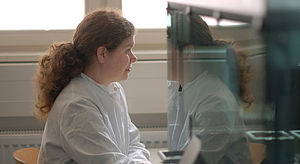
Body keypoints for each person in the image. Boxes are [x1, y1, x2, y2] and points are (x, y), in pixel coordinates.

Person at [33, 8, 151, 164]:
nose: (134, 58)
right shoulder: (77, 105)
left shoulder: (112, 88)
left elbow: (133, 144)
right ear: (102, 54)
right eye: (127, 50)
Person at [167, 13, 254, 164]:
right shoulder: (178, 87)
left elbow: (196, 161)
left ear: (188, 52)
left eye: (167, 49)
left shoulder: (215, 101)